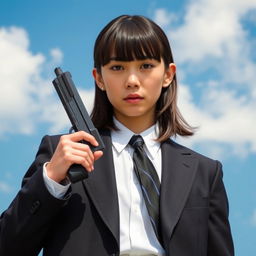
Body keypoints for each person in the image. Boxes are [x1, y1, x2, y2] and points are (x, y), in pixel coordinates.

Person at [0, 15, 234, 256]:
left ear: (168, 74)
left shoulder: (205, 172)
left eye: (146, 66)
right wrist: (50, 179)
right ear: (99, 78)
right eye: (117, 68)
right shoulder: (61, 154)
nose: (132, 81)